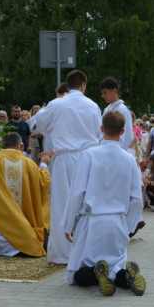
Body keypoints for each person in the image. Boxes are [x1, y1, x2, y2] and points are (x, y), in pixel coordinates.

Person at [62, 110, 145, 296]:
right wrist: (129, 225)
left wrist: (69, 225)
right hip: (117, 221)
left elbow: (77, 193)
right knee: (117, 266)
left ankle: (94, 274)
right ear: (123, 132)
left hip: (92, 222)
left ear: (101, 129)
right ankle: (126, 276)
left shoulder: (89, 155)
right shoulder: (130, 159)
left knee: (74, 275)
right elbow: (136, 198)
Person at [29, 70, 102, 264]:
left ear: (67, 86)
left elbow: (37, 125)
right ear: (83, 85)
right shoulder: (93, 106)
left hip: (64, 159)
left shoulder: (57, 104)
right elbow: (99, 134)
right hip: (87, 159)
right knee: (86, 204)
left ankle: (63, 254)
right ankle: (87, 250)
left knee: (62, 205)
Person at [0, 132, 52, 257]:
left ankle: (1, 247)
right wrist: (44, 164)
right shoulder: (29, 163)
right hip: (25, 220)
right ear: (18, 145)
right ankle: (24, 244)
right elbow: (43, 182)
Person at [99, 77, 135, 154]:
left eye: (105, 93)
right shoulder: (107, 109)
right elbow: (101, 132)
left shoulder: (123, 110)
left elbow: (127, 136)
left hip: (118, 152)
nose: (103, 96)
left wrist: (115, 152)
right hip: (105, 149)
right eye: (102, 93)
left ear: (114, 91)